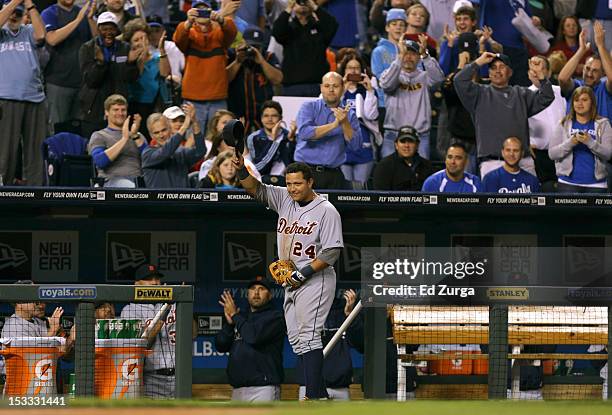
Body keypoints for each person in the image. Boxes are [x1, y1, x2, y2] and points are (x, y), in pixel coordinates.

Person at [232, 159, 344, 400]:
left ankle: (314, 396)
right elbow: (255, 188)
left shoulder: (326, 210)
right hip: (291, 280)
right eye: (289, 183)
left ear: (310, 182)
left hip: (316, 278)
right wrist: (241, 169)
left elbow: (332, 251)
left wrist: (303, 273)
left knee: (309, 335)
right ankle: (321, 394)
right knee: (297, 340)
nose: (293, 188)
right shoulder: (284, 198)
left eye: (298, 184)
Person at [453, 51, 554, 179]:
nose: (497, 71)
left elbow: (547, 97)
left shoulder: (521, 94)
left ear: (510, 72)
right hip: (492, 163)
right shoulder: (478, 94)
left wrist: (540, 75)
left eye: (502, 67)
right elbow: (458, 80)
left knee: (529, 199)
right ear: (489, 73)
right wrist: (479, 62)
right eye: (493, 68)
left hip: (523, 163)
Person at [0, 0, 47, 186]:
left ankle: (36, 192)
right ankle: (3, 189)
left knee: (35, 151)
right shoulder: (2, 34)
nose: (14, 16)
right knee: (5, 151)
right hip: (6, 98)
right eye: (11, 12)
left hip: (34, 97)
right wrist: (14, 3)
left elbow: (42, 35)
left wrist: (29, 4)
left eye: (18, 13)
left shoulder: (28, 31)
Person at [214, 278, 286, 402]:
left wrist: (235, 316)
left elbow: (253, 337)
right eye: (253, 289)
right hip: (238, 388)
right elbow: (221, 345)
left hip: (264, 389)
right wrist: (230, 325)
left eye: (261, 289)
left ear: (270, 295)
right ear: (247, 294)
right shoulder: (241, 317)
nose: (256, 292)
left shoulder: (275, 317)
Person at [173, 0, 237, 128]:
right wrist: (188, 22)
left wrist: (221, 19)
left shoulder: (219, 33)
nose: (202, 14)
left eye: (205, 11)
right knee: (193, 140)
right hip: (193, 99)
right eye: (198, 11)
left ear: (211, 12)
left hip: (217, 98)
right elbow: (178, 39)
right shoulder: (189, 33)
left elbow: (232, 32)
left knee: (218, 139)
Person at [379, 35, 445, 159]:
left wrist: (425, 56)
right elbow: (387, 85)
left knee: (421, 175)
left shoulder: (425, 77)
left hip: (420, 135)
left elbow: (438, 81)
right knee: (389, 174)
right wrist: (399, 58)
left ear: (418, 57)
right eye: (405, 53)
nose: (408, 57)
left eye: (413, 54)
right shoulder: (390, 74)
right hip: (393, 134)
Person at [78, 11, 140, 138]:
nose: (108, 33)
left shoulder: (125, 48)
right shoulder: (87, 49)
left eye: (111, 29)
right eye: (104, 29)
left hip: (118, 109)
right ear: (98, 29)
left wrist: (130, 64)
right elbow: (90, 81)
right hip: (94, 110)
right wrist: (100, 63)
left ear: (117, 30)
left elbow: (131, 79)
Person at [295, 71, 361, 189]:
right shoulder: (309, 107)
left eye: (335, 86)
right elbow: (305, 133)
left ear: (342, 88)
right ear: (321, 88)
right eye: (327, 86)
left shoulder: (349, 115)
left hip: (334, 174)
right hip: (304, 172)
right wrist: (334, 124)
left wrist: (345, 122)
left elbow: (355, 146)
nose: (331, 89)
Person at [120, 264, 176, 399]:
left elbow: (192, 334)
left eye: (157, 278)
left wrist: (184, 303)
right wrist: (165, 310)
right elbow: (144, 344)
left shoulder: (174, 303)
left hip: (179, 378)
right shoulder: (130, 310)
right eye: (148, 279)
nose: (154, 282)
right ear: (137, 284)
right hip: (151, 380)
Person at [296, 288, 362, 400]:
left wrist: (349, 315)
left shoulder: (344, 311)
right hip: (310, 385)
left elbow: (360, 344)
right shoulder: (303, 311)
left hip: (340, 386)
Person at [41, 0, 97, 132]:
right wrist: (78, 20)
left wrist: (89, 19)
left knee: (79, 130)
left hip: (83, 83)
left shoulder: (83, 13)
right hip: (58, 82)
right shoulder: (49, 13)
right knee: (57, 128)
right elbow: (52, 39)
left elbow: (96, 41)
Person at [549, 86, 612, 193]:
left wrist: (590, 142)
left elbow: (608, 154)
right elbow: (552, 154)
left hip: (596, 185)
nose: (580, 103)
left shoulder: (603, 124)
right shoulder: (563, 123)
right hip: (568, 183)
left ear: (592, 102)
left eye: (584, 100)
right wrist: (570, 143)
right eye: (576, 100)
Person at [272, 0, 338, 97]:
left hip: (317, 85)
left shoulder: (320, 28)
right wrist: (289, 8)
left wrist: (314, 6)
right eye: (299, 1)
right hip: (292, 86)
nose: (302, 3)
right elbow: (277, 31)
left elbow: (332, 25)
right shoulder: (288, 28)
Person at [227, 25, 283, 132]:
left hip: (262, 116)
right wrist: (238, 61)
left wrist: (261, 61)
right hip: (238, 113)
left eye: (257, 47)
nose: (253, 50)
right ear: (243, 43)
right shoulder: (233, 55)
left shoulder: (268, 57)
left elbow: (278, 79)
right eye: (250, 46)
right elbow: (224, 81)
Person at [338, 52, 379, 190]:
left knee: (360, 190)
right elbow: (328, 111)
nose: (353, 71)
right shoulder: (335, 90)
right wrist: (341, 89)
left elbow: (371, 115)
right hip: (342, 148)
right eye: (350, 68)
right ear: (343, 71)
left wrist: (370, 91)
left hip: (363, 146)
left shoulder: (367, 91)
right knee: (345, 190)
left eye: (357, 68)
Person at [123, 19, 171, 135]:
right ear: (130, 43)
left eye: (144, 38)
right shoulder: (127, 60)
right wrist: (142, 56)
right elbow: (135, 75)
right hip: (133, 106)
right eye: (137, 40)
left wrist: (162, 50)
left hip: (152, 106)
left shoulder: (156, 58)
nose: (141, 42)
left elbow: (165, 73)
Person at [87, 94, 147, 188]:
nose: (120, 113)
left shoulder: (138, 136)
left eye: (123, 110)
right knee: (130, 186)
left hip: (138, 180)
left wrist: (135, 136)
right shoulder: (99, 135)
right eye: (116, 110)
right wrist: (124, 139)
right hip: (111, 181)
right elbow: (100, 161)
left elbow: (150, 159)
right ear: (106, 112)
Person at [142, 103, 206, 188]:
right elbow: (165, 152)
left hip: (183, 200)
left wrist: (194, 121)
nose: (161, 135)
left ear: (169, 129)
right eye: (156, 133)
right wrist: (184, 127)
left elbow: (201, 151)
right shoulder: (147, 154)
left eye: (164, 130)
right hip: (160, 200)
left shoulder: (180, 152)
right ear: (151, 135)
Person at [558, 23, 612, 121]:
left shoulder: (605, 89)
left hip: (602, 135)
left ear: (603, 74)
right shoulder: (576, 86)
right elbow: (562, 78)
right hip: (574, 136)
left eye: (595, 71)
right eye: (587, 68)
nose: (589, 74)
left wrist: (601, 46)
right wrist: (581, 50)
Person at [528, 54, 566, 192]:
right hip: (538, 155)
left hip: (562, 153)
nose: (537, 72)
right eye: (534, 69)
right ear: (528, 73)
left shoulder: (561, 92)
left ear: (549, 72)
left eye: (542, 69)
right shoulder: (524, 94)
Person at [246, 100, 296, 185]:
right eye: (266, 116)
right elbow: (259, 167)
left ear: (280, 118)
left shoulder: (289, 136)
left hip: (286, 183)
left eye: (274, 116)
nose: (269, 119)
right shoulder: (254, 138)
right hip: (263, 182)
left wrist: (291, 141)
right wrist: (274, 141)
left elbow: (292, 164)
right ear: (261, 118)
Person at [373, 125, 434, 191]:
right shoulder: (384, 166)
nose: (406, 145)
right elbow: (380, 197)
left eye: (410, 141)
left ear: (417, 145)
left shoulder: (427, 166)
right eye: (403, 141)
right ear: (396, 145)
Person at [370, 8, 407, 115]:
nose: (398, 27)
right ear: (387, 27)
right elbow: (380, 78)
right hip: (385, 104)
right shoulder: (379, 51)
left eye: (401, 24)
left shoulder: (410, 51)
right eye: (394, 24)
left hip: (407, 102)